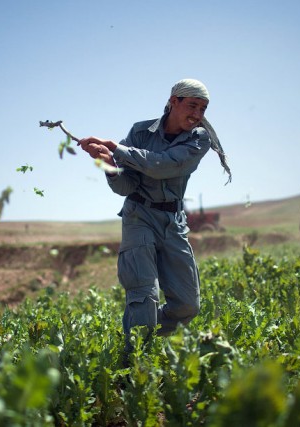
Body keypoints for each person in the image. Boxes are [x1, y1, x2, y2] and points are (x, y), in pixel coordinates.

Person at [77, 79, 231, 365]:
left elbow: (165, 165)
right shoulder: (139, 132)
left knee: (187, 304)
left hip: (174, 222)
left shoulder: (199, 139)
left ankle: (143, 340)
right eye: (192, 106)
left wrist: (117, 149)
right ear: (173, 101)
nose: (198, 114)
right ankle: (132, 367)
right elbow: (125, 186)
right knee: (143, 297)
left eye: (203, 108)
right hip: (139, 217)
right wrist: (106, 163)